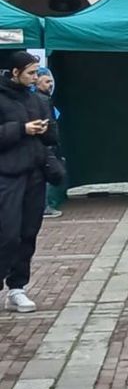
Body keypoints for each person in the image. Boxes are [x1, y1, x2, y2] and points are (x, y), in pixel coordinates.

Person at [0, 51, 58, 313]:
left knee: (28, 233)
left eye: (37, 72)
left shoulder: (38, 99)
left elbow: (53, 137)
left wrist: (46, 130)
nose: (36, 77)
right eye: (31, 73)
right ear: (15, 73)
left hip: (35, 173)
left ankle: (17, 287)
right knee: (8, 233)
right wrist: (22, 129)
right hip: (7, 174)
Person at [33, 68, 64, 219]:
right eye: (46, 81)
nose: (50, 85)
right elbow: (48, 122)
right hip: (46, 144)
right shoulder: (41, 100)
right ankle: (44, 207)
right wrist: (51, 140)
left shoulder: (43, 98)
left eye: (51, 81)